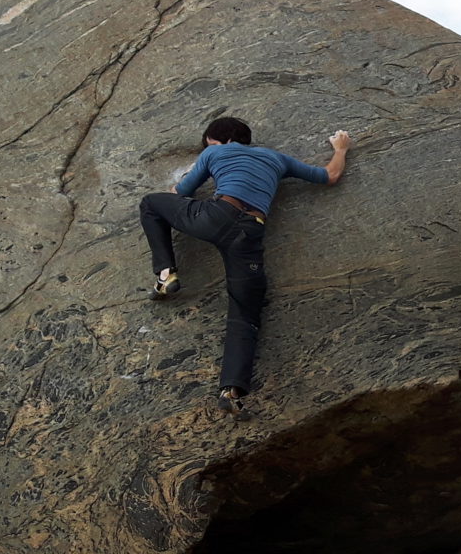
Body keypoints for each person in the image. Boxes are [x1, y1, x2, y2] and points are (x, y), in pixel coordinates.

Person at [139, 116, 350, 417]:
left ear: (216, 139)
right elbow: (330, 176)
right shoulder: (277, 159)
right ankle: (231, 391)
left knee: (150, 203)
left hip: (217, 214)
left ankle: (165, 274)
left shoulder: (213, 152)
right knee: (245, 316)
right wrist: (340, 147)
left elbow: (181, 193)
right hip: (250, 234)